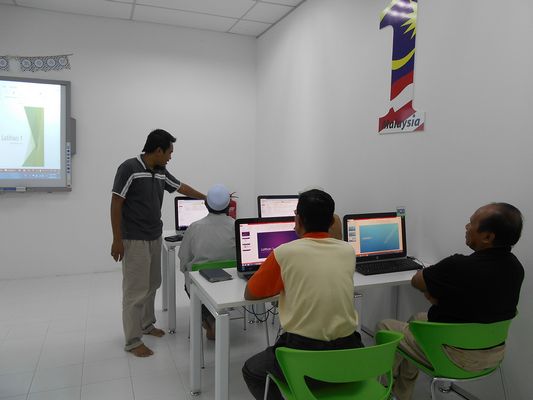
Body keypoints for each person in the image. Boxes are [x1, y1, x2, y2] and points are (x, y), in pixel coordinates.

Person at [377, 202, 525, 400]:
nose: (466, 227)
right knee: (416, 319)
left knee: (385, 327)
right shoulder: (516, 268)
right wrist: (440, 295)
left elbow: (417, 280)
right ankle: (402, 393)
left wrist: (433, 293)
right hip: (493, 354)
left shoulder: (458, 266)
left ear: (488, 237)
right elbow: (478, 300)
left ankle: (384, 392)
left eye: (471, 223)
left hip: (455, 356)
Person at [242, 189, 364, 400]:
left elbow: (250, 293)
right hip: (349, 354)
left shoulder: (284, 253)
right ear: (331, 221)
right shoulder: (347, 251)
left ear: (298, 219)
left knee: (251, 370)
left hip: (303, 355)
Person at [110, 129, 205, 358]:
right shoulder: (129, 168)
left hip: (154, 235)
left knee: (152, 283)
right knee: (135, 290)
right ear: (158, 150)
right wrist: (117, 239)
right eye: (170, 152)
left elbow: (181, 187)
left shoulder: (160, 171)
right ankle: (133, 341)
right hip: (134, 238)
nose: (171, 157)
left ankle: (147, 324)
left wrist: (206, 198)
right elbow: (116, 202)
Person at [178, 183, 236, 340]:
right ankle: (214, 318)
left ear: (205, 204)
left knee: (192, 285)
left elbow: (183, 259)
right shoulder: (236, 226)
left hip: (202, 283)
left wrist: (188, 271)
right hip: (232, 284)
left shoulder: (194, 227)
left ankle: (209, 319)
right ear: (229, 206)